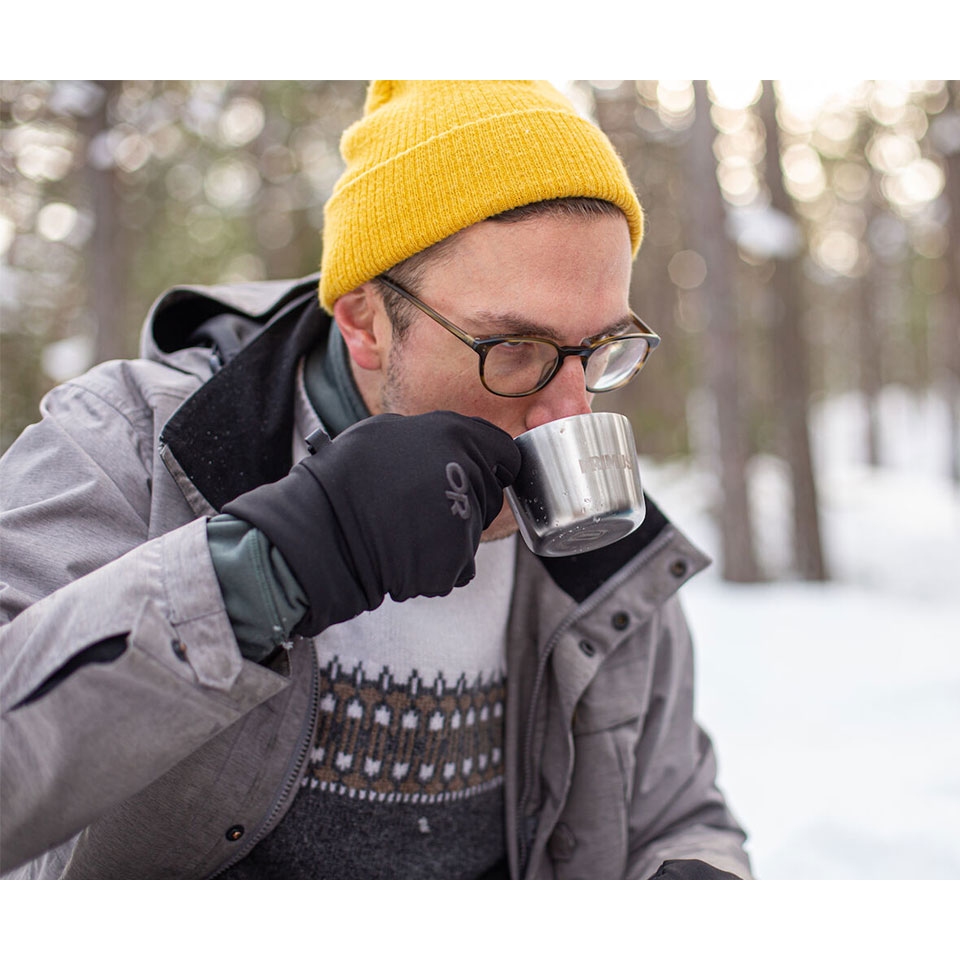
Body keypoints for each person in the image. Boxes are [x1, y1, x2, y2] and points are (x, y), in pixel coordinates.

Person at [0, 80, 750, 880]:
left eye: (600, 350)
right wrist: (268, 566)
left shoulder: (596, 546)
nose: (567, 412)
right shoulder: (129, 447)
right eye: (514, 348)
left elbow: (674, 813)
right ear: (363, 320)